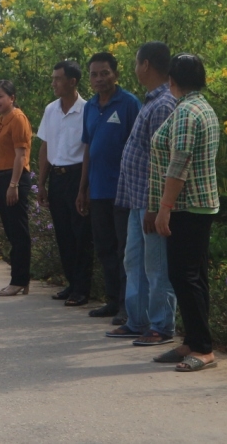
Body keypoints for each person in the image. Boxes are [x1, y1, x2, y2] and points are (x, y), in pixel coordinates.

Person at [148, 54, 221, 372]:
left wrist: (164, 209)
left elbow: (179, 165)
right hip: (196, 204)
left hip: (187, 205)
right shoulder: (199, 106)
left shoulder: (187, 112)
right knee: (194, 275)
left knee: (184, 275)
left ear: (171, 81)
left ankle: (203, 348)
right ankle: (193, 340)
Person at [107, 42, 178, 347]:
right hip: (137, 199)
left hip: (149, 202)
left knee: (156, 266)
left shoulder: (163, 104)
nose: (134, 68)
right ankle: (138, 321)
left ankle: (161, 325)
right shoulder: (151, 101)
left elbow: (163, 161)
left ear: (146, 65)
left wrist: (155, 205)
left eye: (136, 63)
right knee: (133, 262)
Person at [78, 52, 141, 322]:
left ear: (116, 73)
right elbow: (88, 148)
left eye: (105, 73)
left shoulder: (129, 104)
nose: (99, 78)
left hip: (124, 191)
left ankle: (129, 307)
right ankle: (112, 301)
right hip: (98, 190)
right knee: (104, 248)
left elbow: (139, 147)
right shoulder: (90, 107)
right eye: (94, 74)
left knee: (125, 250)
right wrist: (83, 189)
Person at [36, 60, 91, 306]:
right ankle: (71, 283)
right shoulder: (51, 110)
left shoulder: (88, 110)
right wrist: (41, 182)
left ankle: (82, 288)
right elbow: (45, 145)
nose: (54, 83)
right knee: (64, 235)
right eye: (53, 78)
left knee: (81, 235)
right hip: (56, 177)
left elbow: (89, 149)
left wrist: (83, 187)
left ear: (72, 81)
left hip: (78, 176)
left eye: (58, 79)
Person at [0, 80, 33, 296]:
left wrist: (13, 185)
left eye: (0, 96)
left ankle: (20, 279)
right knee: (12, 232)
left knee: (19, 232)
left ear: (12, 98)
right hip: (3, 178)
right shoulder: (1, 121)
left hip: (16, 178)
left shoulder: (18, 118)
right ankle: (20, 278)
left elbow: (20, 155)